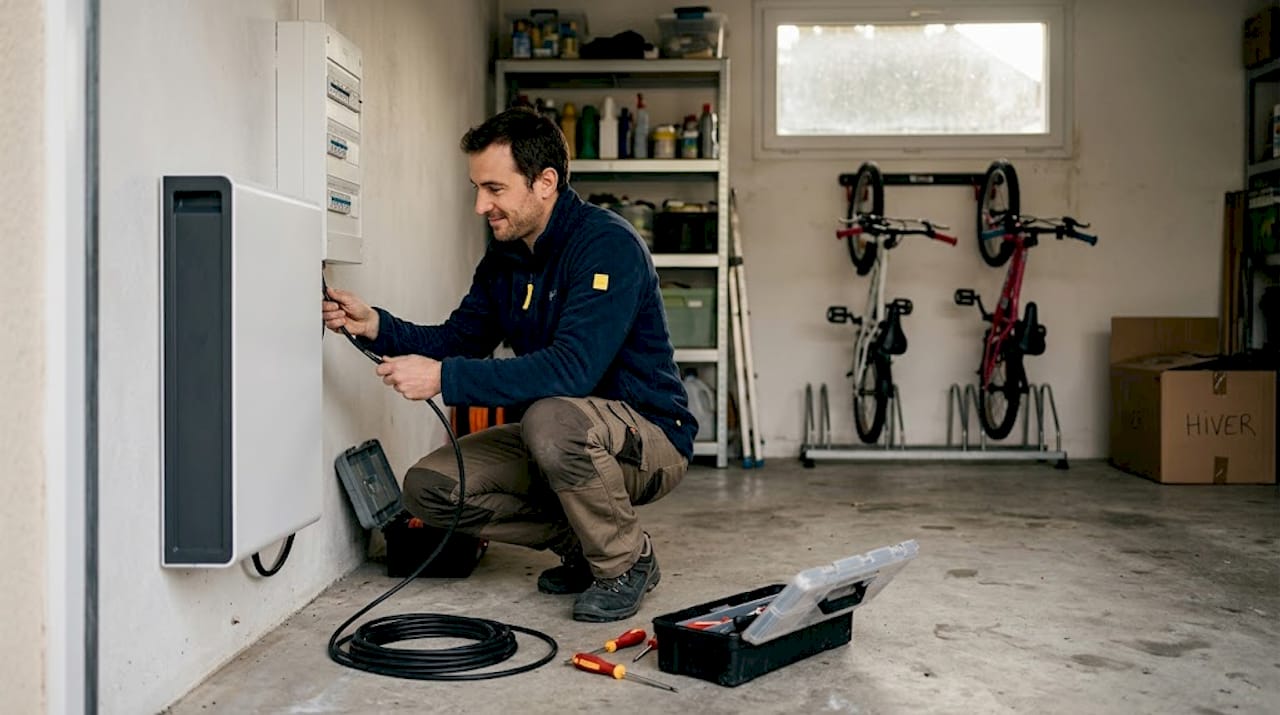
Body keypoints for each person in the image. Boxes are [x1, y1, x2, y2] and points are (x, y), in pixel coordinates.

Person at [322, 107, 696, 623]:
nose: (481, 205)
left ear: (545, 182)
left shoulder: (608, 246)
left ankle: (625, 562)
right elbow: (459, 339)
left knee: (550, 418)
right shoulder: (506, 257)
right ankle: (585, 544)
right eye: (477, 188)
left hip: (648, 437)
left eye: (495, 189)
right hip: (559, 433)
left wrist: (444, 378)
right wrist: (375, 325)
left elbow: (572, 371)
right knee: (429, 488)